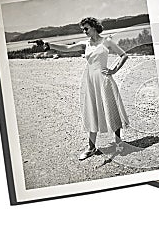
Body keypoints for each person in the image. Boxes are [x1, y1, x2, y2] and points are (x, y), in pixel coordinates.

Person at [45, 17, 130, 161]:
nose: (84, 31)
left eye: (86, 28)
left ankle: (118, 142)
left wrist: (114, 70)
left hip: (104, 80)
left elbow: (124, 55)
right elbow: (66, 48)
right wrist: (49, 45)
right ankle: (91, 147)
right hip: (90, 81)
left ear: (94, 27)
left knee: (111, 109)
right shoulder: (86, 44)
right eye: (83, 29)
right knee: (92, 111)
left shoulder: (106, 42)